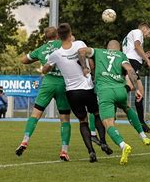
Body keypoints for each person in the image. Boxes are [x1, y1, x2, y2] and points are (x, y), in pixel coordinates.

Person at [42, 23, 113, 163]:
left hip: (72, 92)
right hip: (87, 88)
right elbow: (88, 58)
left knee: (82, 121)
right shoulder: (79, 43)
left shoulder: (55, 54)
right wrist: (87, 68)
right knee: (97, 114)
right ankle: (103, 142)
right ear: (70, 33)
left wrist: (49, 67)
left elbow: (45, 69)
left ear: (58, 37)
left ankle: (91, 152)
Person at [78, 40, 150, 165]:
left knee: (108, 123)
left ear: (107, 47)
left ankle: (123, 145)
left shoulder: (98, 51)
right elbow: (130, 70)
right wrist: (137, 88)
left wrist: (84, 67)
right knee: (127, 108)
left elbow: (81, 51)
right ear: (119, 49)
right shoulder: (122, 56)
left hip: (105, 91)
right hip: (120, 91)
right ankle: (143, 136)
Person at [15, 27, 72, 161]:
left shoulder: (41, 49)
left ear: (46, 37)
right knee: (65, 119)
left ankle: (25, 141)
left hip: (48, 84)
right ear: (57, 35)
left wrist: (34, 59)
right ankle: (64, 151)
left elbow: (23, 60)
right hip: (63, 84)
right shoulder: (64, 44)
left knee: (35, 114)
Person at [122, 23, 150, 133]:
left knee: (140, 91)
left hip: (131, 62)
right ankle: (111, 98)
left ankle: (141, 122)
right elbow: (136, 46)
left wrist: (144, 55)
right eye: (148, 33)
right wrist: (147, 60)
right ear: (144, 28)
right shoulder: (138, 32)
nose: (148, 36)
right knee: (130, 86)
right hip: (131, 63)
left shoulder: (130, 35)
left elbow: (134, 49)